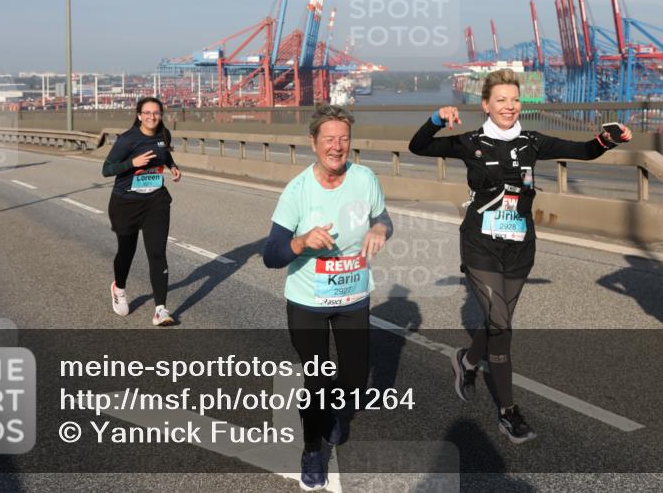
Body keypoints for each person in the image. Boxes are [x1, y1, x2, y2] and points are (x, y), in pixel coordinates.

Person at [409, 68, 631, 444]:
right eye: (501, 100)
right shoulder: (469, 142)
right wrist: (435, 120)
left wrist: (607, 139)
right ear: (486, 105)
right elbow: (419, 147)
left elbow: (583, 151)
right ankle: (508, 412)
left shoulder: (533, 142)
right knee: (502, 326)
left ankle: (465, 360)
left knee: (500, 322)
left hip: (520, 245)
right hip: (480, 242)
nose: (509, 106)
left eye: (514, 100)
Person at [262, 104, 393, 491]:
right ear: (313, 143)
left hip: (353, 298)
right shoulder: (298, 190)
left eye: (343, 139)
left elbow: (383, 218)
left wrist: (382, 230)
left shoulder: (365, 178)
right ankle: (311, 450)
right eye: (329, 139)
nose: (337, 147)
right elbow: (271, 253)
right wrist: (301, 242)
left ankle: (337, 407)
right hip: (308, 303)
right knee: (317, 379)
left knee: (354, 380)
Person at [102, 97, 182, 327]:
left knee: (157, 252)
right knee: (126, 251)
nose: (151, 117)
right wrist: (132, 163)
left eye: (156, 112)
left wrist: (173, 167)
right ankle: (119, 287)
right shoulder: (127, 140)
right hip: (125, 203)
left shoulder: (164, 135)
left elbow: (165, 155)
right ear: (139, 115)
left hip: (155, 201)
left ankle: (161, 309)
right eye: (146, 113)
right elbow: (106, 169)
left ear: (160, 115)